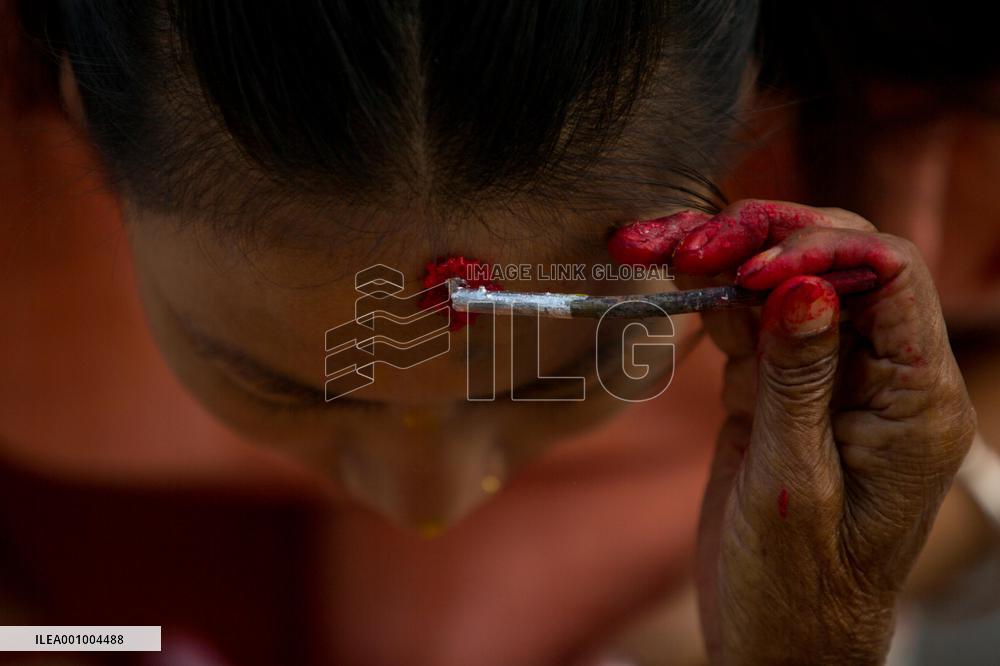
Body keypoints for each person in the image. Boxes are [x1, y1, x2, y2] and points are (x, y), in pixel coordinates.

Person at [0, 1, 981, 663]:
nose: (427, 502)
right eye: (284, 385)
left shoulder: (939, 138)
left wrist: (826, 615)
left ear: (747, 103)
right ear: (83, 107)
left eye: (550, 381)